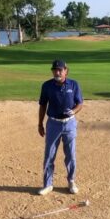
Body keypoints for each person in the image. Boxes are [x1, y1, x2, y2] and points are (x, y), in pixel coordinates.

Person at [37, 60, 83, 195]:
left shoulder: (74, 84)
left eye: (60, 70)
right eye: (55, 70)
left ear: (65, 71)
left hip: (69, 123)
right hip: (53, 124)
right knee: (49, 155)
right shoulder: (47, 86)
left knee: (70, 155)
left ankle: (71, 181)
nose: (57, 72)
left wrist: (74, 111)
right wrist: (40, 123)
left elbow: (80, 103)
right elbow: (43, 105)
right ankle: (48, 184)